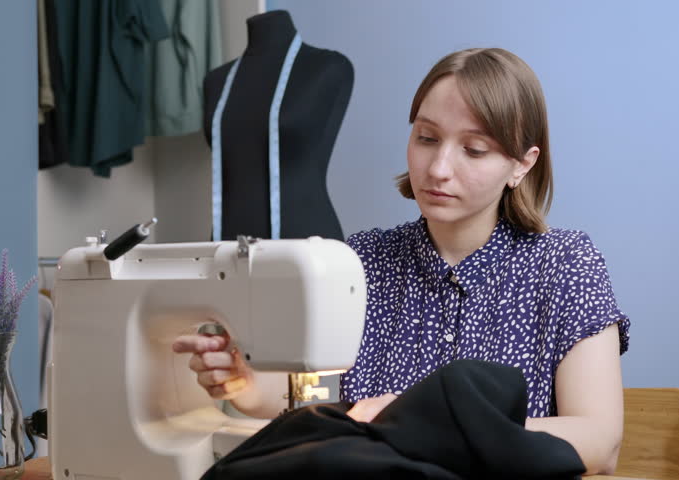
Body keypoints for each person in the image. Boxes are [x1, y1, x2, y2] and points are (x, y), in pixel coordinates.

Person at [173, 47, 630, 476]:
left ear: (522, 165)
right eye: (426, 138)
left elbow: (600, 441)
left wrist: (423, 424)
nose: (438, 169)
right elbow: (313, 397)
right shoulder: (362, 262)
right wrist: (249, 383)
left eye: (474, 149)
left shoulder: (564, 265)